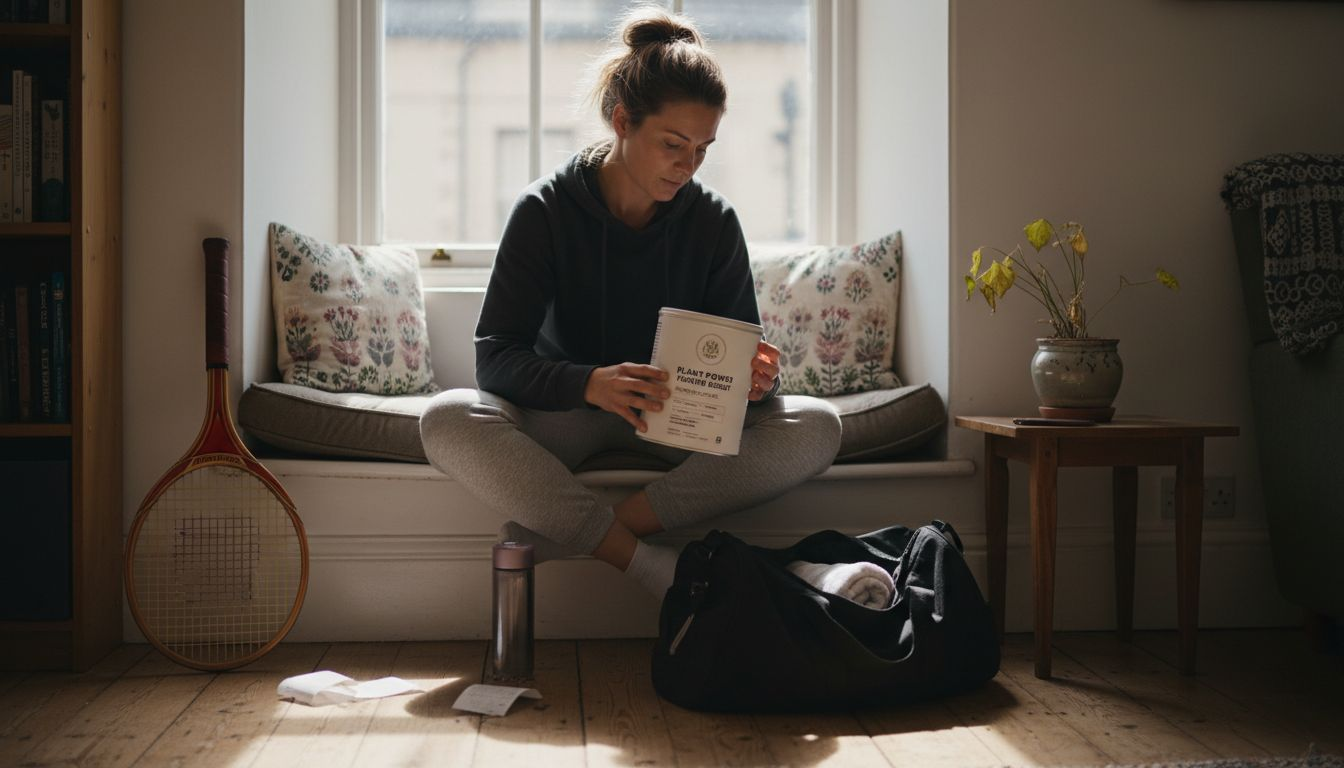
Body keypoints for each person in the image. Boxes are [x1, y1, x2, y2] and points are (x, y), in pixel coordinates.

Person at [420, 7, 841, 597]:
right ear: (622, 121)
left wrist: (758, 381)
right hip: (566, 415)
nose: (687, 166)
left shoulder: (714, 222)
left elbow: (737, 364)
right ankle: (647, 565)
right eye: (673, 143)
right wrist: (591, 384)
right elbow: (495, 357)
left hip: (678, 420)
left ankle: (595, 534)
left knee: (818, 425)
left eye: (702, 148)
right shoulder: (544, 211)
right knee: (446, 418)